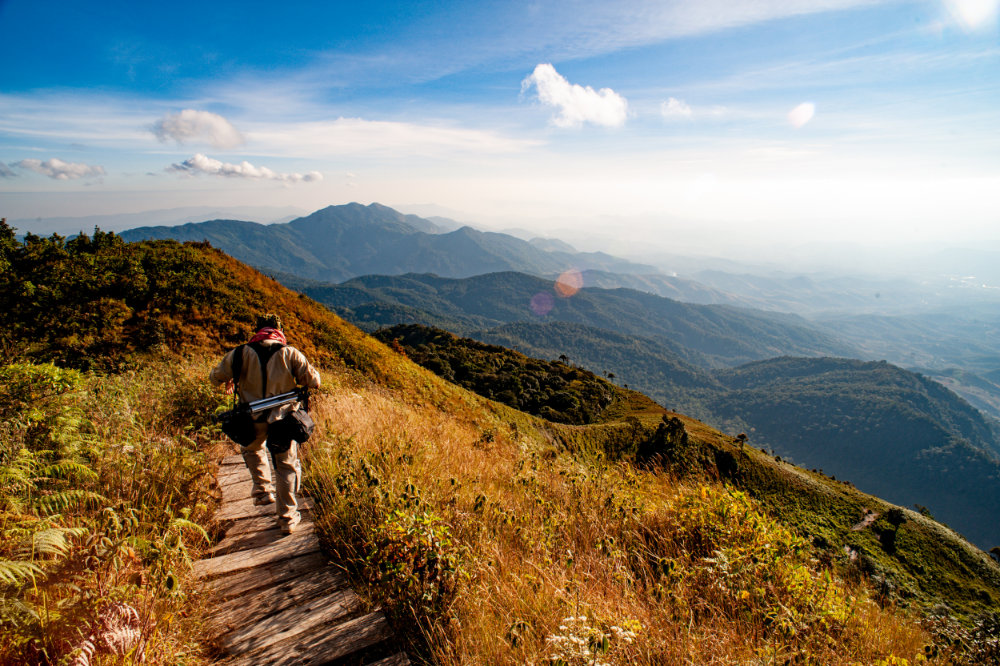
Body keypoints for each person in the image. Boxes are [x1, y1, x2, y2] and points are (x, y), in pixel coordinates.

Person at [210, 313, 321, 534]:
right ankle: (287, 518)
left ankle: (262, 491)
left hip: (250, 418)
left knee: (252, 448)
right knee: (286, 466)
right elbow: (314, 381)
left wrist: (232, 377)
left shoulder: (240, 353)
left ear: (257, 331)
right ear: (279, 331)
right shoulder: (290, 353)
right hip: (283, 418)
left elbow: (215, 377)